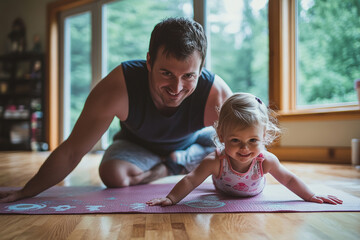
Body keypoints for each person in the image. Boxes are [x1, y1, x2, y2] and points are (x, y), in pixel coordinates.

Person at [0, 17, 232, 203]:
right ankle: (170, 166)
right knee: (112, 175)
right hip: (137, 145)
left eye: (189, 76)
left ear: (201, 69)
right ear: (149, 62)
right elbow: (72, 150)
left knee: (229, 150)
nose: (177, 87)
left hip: (194, 144)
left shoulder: (216, 94)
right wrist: (26, 191)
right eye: (166, 73)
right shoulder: (118, 86)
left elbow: (251, 145)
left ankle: (180, 160)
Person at [146, 93, 343, 206]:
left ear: (264, 136)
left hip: (255, 191)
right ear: (222, 137)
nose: (244, 148)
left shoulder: (266, 161)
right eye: (235, 140)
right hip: (222, 188)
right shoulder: (215, 161)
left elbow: (289, 179)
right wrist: (171, 198)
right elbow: (191, 180)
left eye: (253, 140)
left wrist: (310, 195)